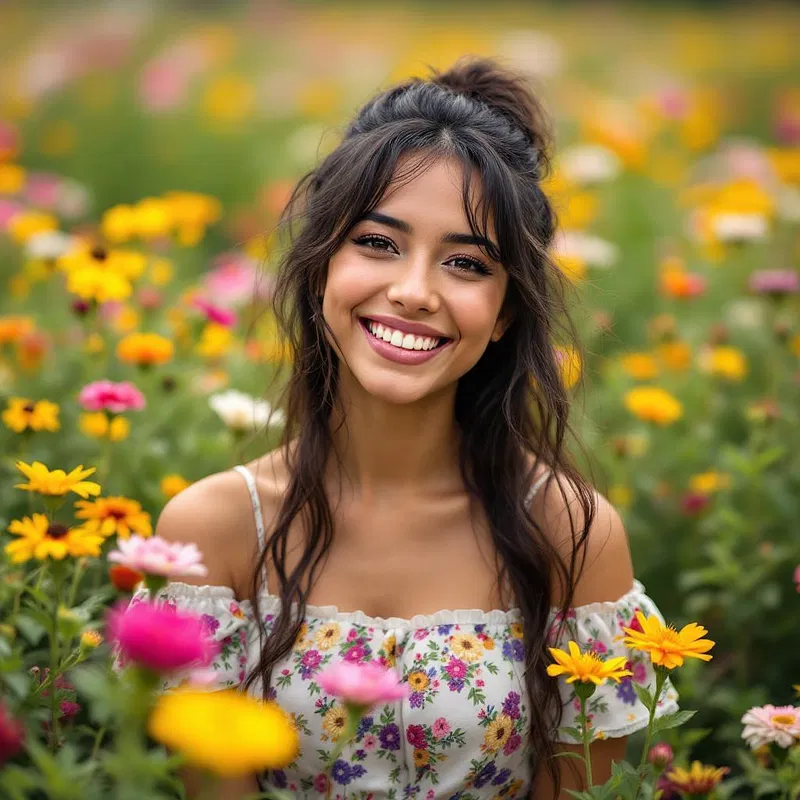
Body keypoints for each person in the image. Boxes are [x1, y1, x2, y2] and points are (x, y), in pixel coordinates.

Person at [145, 56, 679, 799]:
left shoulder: (570, 533)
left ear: (506, 314)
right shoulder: (218, 532)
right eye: (378, 243)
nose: (413, 291)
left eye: (465, 263)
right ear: (320, 265)